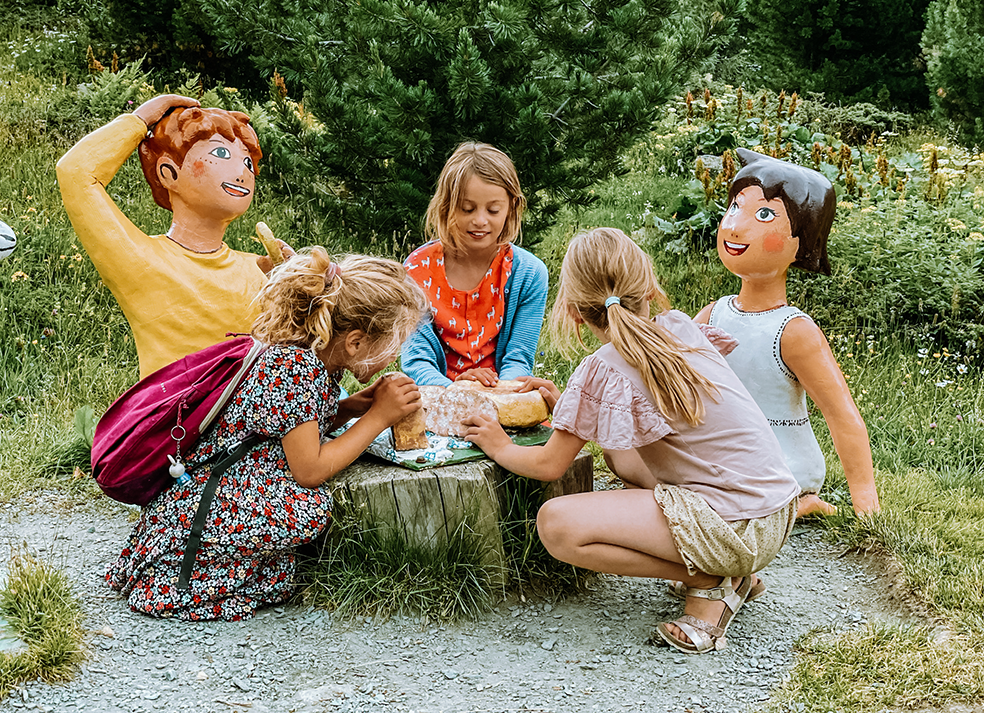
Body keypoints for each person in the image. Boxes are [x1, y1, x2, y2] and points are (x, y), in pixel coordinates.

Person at [464, 228, 800, 654]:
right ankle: (728, 569)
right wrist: (571, 405)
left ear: (573, 312)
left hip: (732, 528)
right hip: (773, 514)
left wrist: (498, 444)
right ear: (649, 288)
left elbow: (549, 466)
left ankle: (707, 578)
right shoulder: (681, 327)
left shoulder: (602, 366)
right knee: (622, 460)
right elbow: (633, 431)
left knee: (556, 526)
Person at [106, 248, 428, 621]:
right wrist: (377, 418)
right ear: (355, 342)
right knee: (309, 506)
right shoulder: (297, 368)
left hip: (220, 487)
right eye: (392, 346)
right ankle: (197, 576)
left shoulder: (309, 357)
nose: (394, 358)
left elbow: (295, 424)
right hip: (213, 501)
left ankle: (239, 571)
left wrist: (355, 406)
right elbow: (309, 468)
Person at [694, 148, 881, 517]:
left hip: (781, 465)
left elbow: (841, 414)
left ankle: (801, 501)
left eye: (764, 214)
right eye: (735, 206)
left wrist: (867, 506)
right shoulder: (714, 315)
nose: (735, 225)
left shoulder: (794, 332)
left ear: (803, 243)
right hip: (728, 458)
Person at [57, 94, 291, 378]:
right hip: (176, 417)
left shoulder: (258, 269)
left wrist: (294, 285)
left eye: (247, 162)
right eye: (220, 154)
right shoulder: (142, 260)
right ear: (169, 172)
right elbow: (76, 173)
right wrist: (141, 119)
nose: (242, 172)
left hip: (252, 415)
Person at [401, 142, 550, 393]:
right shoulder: (416, 269)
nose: (480, 221)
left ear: (511, 208)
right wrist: (457, 393)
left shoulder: (530, 274)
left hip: (502, 400)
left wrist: (494, 394)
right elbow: (418, 361)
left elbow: (518, 360)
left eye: (493, 210)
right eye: (467, 209)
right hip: (435, 398)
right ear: (446, 206)